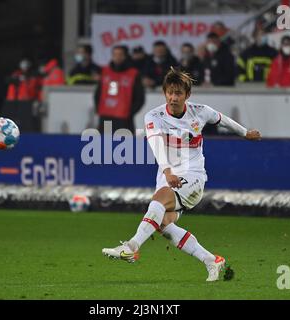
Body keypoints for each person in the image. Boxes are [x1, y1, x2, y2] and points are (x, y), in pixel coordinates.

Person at [102, 68, 261, 281]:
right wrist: (167, 172)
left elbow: (222, 120)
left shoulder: (200, 111)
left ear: (187, 95)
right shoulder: (154, 116)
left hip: (193, 177)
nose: (173, 97)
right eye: (170, 92)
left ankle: (131, 247)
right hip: (168, 176)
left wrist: (245, 133)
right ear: (164, 93)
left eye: (178, 93)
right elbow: (156, 144)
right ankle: (211, 260)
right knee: (163, 225)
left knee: (158, 201)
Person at [94, 45, 145, 134]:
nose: (117, 57)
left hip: (124, 119)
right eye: (115, 54)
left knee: (125, 146)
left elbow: (140, 97)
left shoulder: (133, 74)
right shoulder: (105, 72)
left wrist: (129, 112)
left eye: (120, 54)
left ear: (125, 56)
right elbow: (98, 93)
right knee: (104, 146)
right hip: (105, 117)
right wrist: (99, 108)